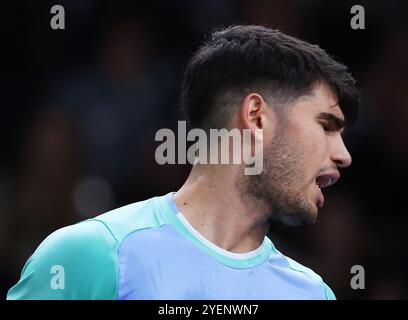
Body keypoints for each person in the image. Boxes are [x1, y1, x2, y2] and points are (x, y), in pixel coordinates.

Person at [7, 25, 359, 300]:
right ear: (256, 117)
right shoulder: (92, 256)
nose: (343, 155)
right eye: (326, 125)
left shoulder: (312, 293)